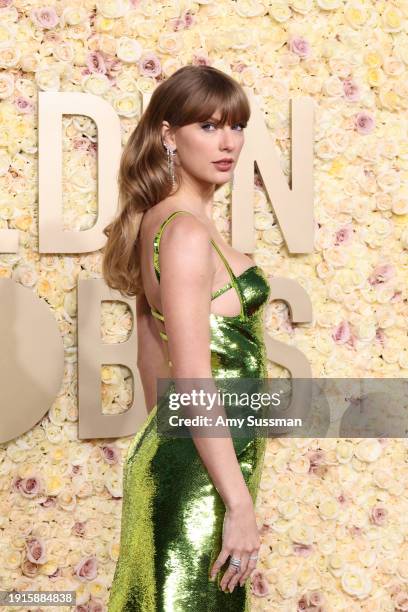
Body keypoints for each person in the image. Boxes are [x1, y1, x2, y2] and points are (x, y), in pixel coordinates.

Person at [102, 65, 271, 611]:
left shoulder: (161, 221)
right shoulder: (186, 233)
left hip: (193, 461)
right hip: (203, 478)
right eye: (208, 126)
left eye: (237, 126)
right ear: (169, 135)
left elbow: (152, 353)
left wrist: (172, 451)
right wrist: (237, 501)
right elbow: (193, 376)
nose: (228, 143)